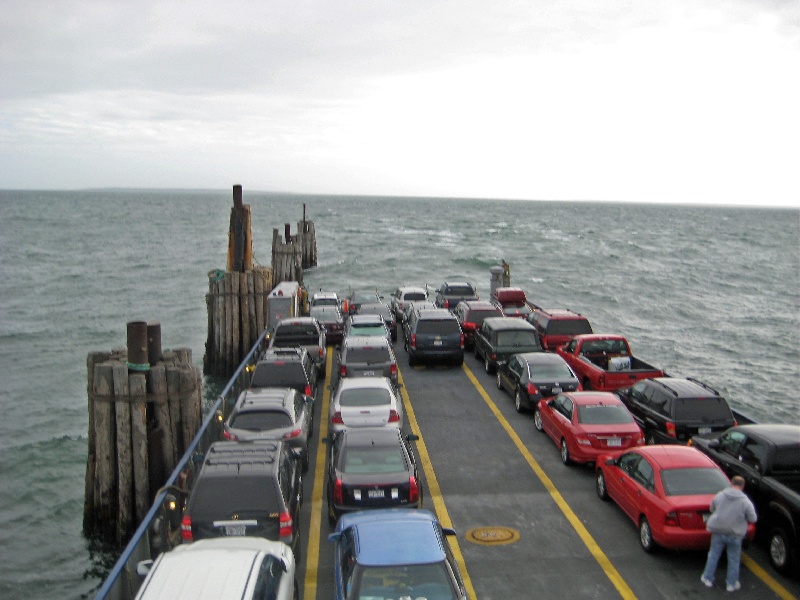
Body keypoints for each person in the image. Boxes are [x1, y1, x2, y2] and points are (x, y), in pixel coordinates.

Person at [701, 475, 757, 592]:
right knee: (734, 559)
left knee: (713, 555)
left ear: (731, 483)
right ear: (742, 486)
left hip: (718, 531)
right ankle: (731, 584)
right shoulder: (745, 501)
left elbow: (711, 508)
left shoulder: (720, 495)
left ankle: (707, 578)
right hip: (735, 534)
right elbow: (753, 518)